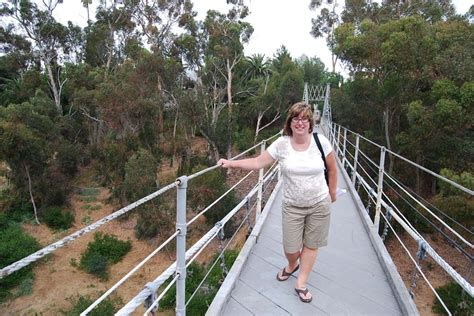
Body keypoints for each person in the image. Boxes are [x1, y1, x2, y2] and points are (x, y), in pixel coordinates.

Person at [218, 102, 337, 303]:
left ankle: (301, 282)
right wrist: (231, 163)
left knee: (311, 244)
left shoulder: (321, 142)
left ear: (311, 123)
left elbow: (332, 169)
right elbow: (258, 162)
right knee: (291, 248)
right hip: (292, 205)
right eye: (296, 119)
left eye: (304, 119)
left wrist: (332, 193)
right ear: (289, 123)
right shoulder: (281, 144)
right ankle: (292, 264)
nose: (300, 123)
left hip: (319, 203)